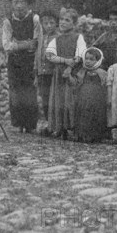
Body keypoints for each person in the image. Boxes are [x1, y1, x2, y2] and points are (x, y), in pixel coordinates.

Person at [1, 0, 42, 133]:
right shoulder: (8, 21)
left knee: (29, 91)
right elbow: (6, 45)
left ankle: (30, 125)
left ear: (28, 4)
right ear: (12, 4)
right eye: (15, 2)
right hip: (15, 61)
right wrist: (25, 44)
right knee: (16, 91)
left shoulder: (35, 19)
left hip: (30, 61)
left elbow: (37, 42)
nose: (19, 5)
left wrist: (19, 45)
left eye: (22, 2)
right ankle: (18, 123)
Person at [45, 8, 86, 139]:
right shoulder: (56, 39)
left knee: (70, 100)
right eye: (61, 19)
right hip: (58, 74)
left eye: (67, 20)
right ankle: (59, 127)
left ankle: (71, 127)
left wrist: (70, 67)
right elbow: (50, 55)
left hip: (72, 73)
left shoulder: (78, 37)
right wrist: (64, 60)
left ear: (74, 24)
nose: (62, 22)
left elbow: (80, 54)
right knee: (58, 100)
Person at [69, 47, 108, 143]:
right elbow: (76, 84)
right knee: (83, 115)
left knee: (95, 116)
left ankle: (95, 136)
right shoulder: (82, 72)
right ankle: (81, 135)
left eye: (91, 59)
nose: (88, 61)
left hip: (97, 100)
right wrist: (69, 76)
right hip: (83, 98)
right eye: (86, 58)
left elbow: (106, 85)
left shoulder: (102, 73)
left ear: (98, 61)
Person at [36, 10, 59, 130]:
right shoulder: (42, 38)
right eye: (45, 23)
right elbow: (38, 56)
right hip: (43, 74)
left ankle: (55, 124)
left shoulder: (58, 38)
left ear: (56, 24)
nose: (48, 26)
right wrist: (37, 73)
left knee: (53, 99)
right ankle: (48, 124)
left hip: (53, 74)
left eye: (51, 23)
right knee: (44, 98)